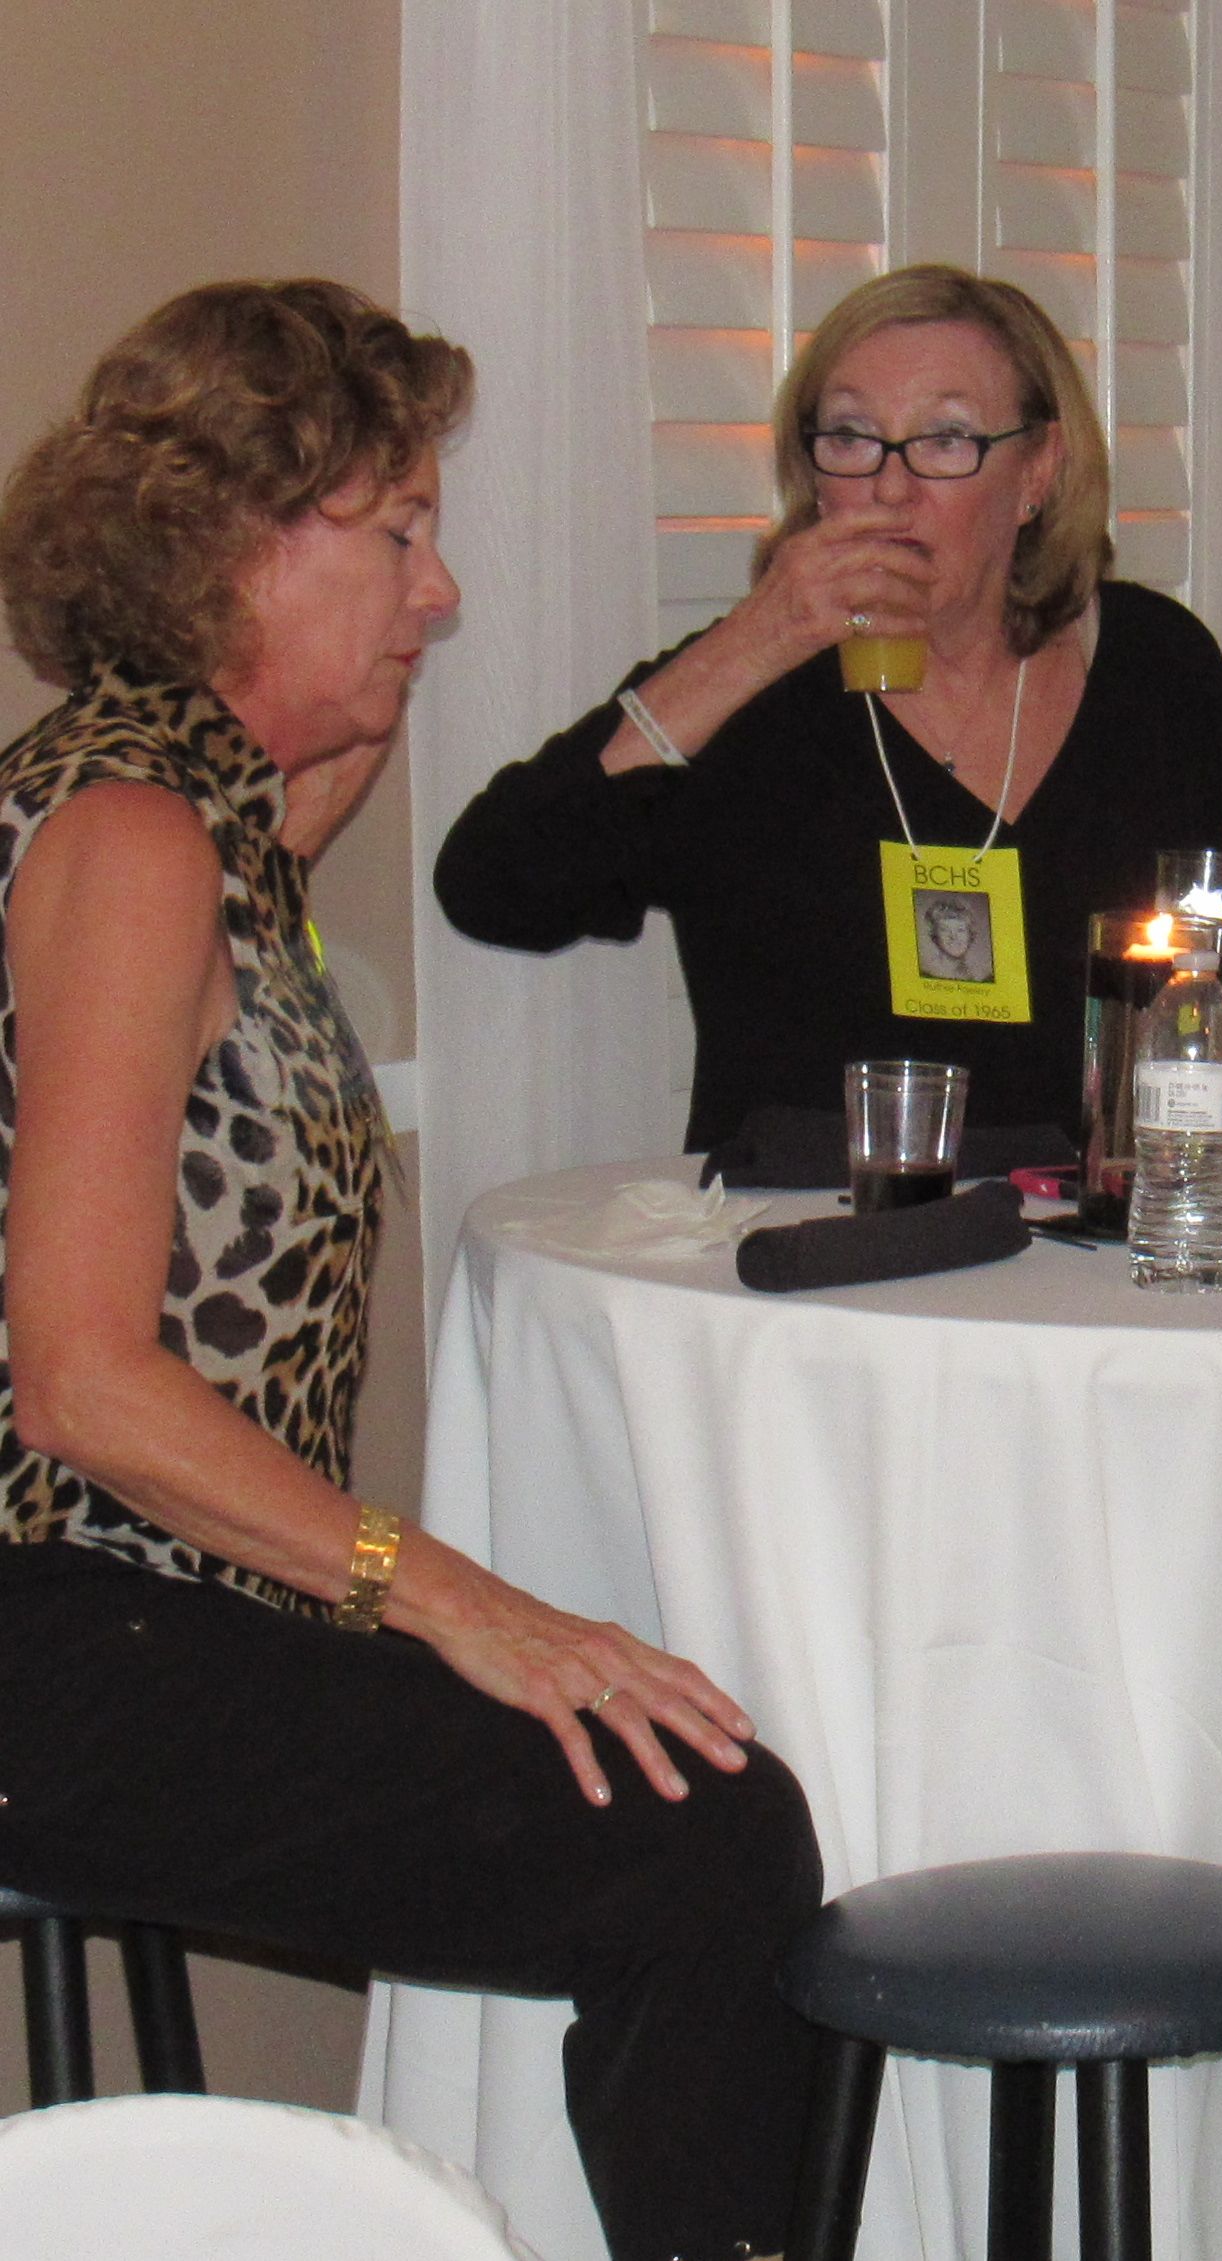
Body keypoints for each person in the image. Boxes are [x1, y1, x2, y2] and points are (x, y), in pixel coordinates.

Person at [0, 282, 822, 2261]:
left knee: (671, 1767)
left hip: (133, 1604)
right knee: (706, 1838)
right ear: (233, 546)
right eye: (396, 530)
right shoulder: (137, 837)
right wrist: (460, 1602)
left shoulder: (195, 803)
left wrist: (734, 644)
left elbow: (310, 773)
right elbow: (83, 1383)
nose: (437, 594)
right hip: (50, 1623)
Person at [435, 263, 1222, 1153]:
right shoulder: (753, 693)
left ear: (1037, 472)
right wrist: (753, 641)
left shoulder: (1150, 662)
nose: (889, 484)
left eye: (945, 440)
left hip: (1090, 1240)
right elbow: (494, 885)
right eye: (850, 436)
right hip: (810, 1238)